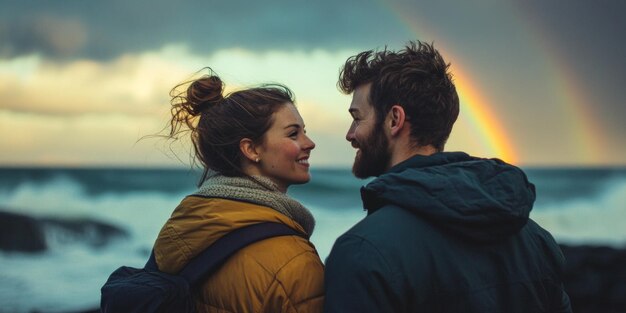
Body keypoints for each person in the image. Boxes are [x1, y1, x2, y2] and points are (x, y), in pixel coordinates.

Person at [323, 41, 572, 312]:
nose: (350, 134)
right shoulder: (535, 240)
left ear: (394, 120)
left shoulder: (363, 253)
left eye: (357, 118)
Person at [152, 70, 324, 313]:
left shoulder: (181, 230)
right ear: (251, 149)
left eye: (304, 131)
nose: (309, 143)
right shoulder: (294, 262)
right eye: (293, 133)